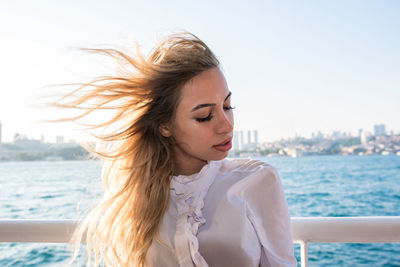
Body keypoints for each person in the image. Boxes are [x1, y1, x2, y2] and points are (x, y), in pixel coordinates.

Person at [61, 32, 296, 266]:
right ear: (165, 126)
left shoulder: (258, 181)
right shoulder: (140, 196)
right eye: (204, 116)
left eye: (227, 105)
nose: (226, 125)